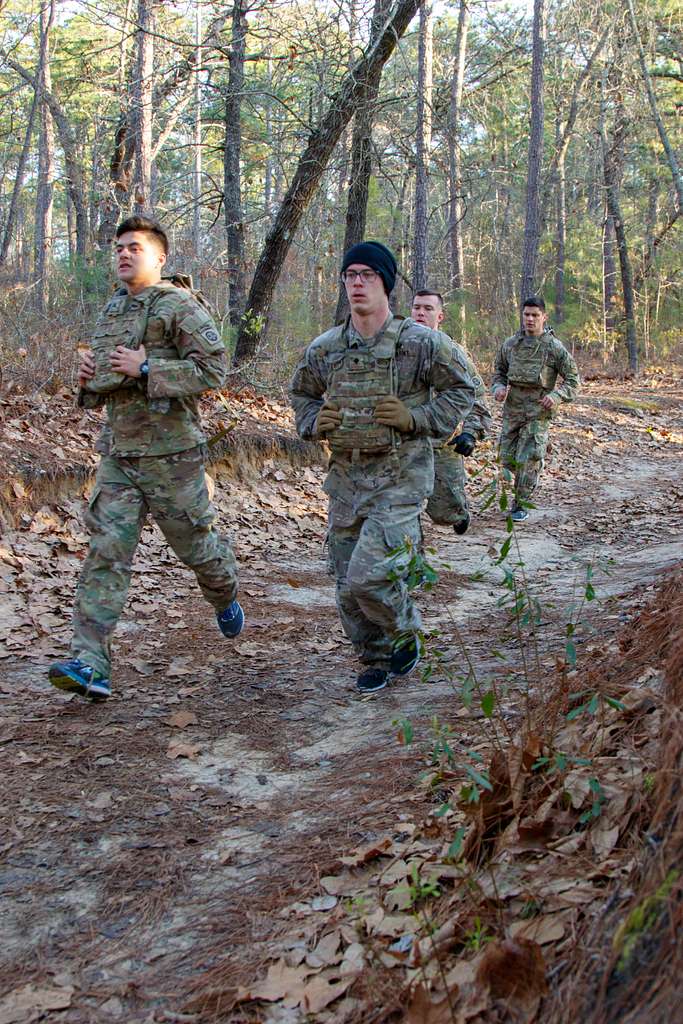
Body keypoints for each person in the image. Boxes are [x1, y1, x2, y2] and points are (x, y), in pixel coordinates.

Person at [49, 216, 243, 701]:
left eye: (135, 247)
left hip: (172, 455)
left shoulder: (179, 305)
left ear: (159, 257)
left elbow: (215, 369)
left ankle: (224, 593)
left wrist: (150, 366)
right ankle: (90, 663)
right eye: (118, 247)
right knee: (106, 553)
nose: (123, 254)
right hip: (119, 455)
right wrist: (88, 378)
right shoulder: (113, 309)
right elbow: (102, 386)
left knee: (197, 549)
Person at [290, 241, 475, 695]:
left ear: (385, 284)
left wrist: (418, 420)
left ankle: (405, 629)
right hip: (347, 481)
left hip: (401, 478)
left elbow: (463, 389)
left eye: (367, 275)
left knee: (368, 575)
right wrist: (315, 421)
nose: (356, 282)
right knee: (346, 584)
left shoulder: (420, 343)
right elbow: (301, 394)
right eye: (350, 274)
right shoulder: (327, 348)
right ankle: (375, 656)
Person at [411, 289, 492, 534]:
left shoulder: (452, 352)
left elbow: (475, 395)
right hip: (405, 442)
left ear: (440, 316)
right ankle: (406, 558)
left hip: (443, 443)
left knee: (444, 513)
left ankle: (459, 513)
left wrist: (471, 432)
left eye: (428, 309)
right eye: (416, 308)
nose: (421, 313)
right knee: (398, 508)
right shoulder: (396, 348)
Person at [492, 296, 579, 522]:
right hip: (513, 408)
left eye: (535, 315)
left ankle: (521, 503)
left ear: (544, 317)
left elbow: (573, 380)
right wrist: (499, 388)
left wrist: (556, 396)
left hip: (538, 409)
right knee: (506, 457)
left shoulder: (553, 347)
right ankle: (528, 478)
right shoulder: (511, 344)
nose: (530, 319)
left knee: (528, 457)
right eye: (526, 315)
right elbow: (499, 371)